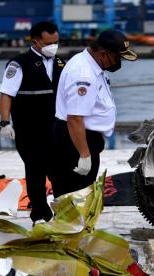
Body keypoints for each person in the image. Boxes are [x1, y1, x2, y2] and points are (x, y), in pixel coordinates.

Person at [53, 30, 137, 198]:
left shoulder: (91, 64)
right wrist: (84, 155)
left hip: (82, 139)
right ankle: (68, 224)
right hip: (75, 142)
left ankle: (75, 224)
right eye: (117, 58)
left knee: (81, 195)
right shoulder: (83, 74)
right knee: (74, 196)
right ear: (103, 54)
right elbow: (75, 119)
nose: (119, 62)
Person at [0, 21, 65, 223]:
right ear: (35, 42)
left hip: (56, 130)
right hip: (30, 132)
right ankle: (40, 216)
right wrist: (5, 122)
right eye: (49, 43)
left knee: (60, 173)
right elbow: (6, 94)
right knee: (35, 174)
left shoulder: (61, 63)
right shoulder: (19, 64)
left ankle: (63, 215)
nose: (54, 46)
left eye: (56, 42)